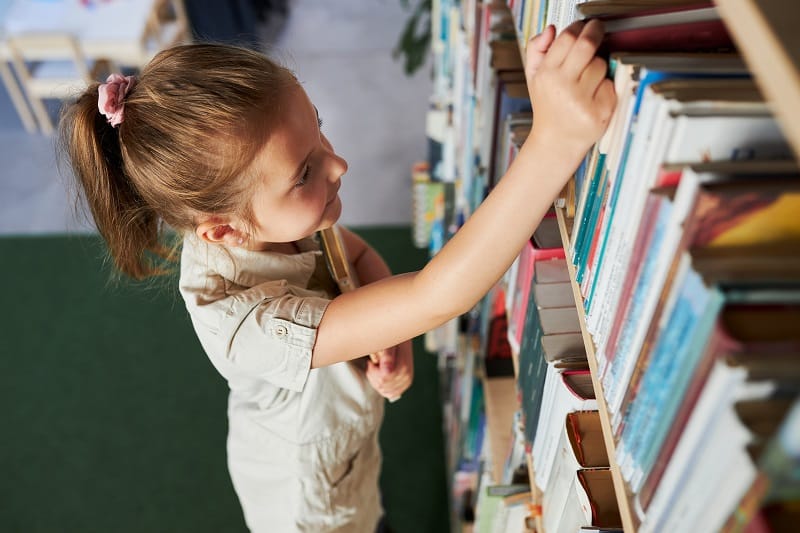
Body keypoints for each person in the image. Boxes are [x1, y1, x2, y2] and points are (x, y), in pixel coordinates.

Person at [59, 19, 614, 533]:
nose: (338, 163)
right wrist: (553, 143)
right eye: (304, 172)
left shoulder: (282, 218)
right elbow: (433, 296)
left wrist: (385, 330)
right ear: (223, 232)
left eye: (318, 128)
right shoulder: (240, 324)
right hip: (312, 511)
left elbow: (359, 256)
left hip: (348, 455)